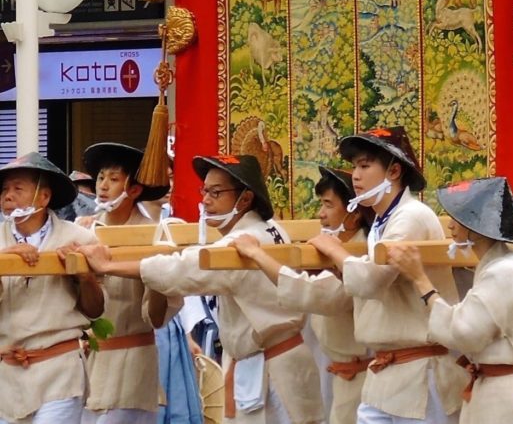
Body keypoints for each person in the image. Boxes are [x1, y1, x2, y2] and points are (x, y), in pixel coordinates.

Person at [77, 153, 324, 424]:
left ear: (245, 199)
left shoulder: (245, 240)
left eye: (216, 193)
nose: (206, 200)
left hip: (273, 368)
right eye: (204, 191)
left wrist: (108, 266)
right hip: (270, 362)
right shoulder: (270, 229)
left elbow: (184, 268)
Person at [306, 126, 466, 424]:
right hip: (388, 374)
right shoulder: (384, 221)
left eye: (365, 166)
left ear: (393, 171)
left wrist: (336, 252)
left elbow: (371, 281)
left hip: (420, 372)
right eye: (355, 167)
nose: (355, 176)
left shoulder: (412, 215)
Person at [389, 176, 513, 424]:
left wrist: (420, 279)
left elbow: (464, 332)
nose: (450, 226)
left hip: (505, 393)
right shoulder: (506, 263)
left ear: (478, 226)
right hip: (502, 386)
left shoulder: (501, 272)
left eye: (459, 219)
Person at [234, 165, 373, 424]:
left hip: (361, 377)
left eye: (328, 205)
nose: (321, 214)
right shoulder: (334, 252)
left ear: (354, 215)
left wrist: (257, 255)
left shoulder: (360, 255)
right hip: (334, 372)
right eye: (321, 204)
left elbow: (317, 295)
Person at [0, 152, 105, 424]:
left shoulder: (78, 238)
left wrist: (84, 276)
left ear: (44, 197)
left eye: (18, 189)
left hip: (60, 371)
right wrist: (4, 260)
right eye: (5, 190)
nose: (8, 196)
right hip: (7, 377)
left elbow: (96, 310)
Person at [77, 142, 175, 424]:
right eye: (100, 178)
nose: (103, 185)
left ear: (133, 190)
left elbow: (156, 317)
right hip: (90, 362)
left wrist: (155, 272)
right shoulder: (85, 229)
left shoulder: (153, 235)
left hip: (133, 360)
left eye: (114, 178)